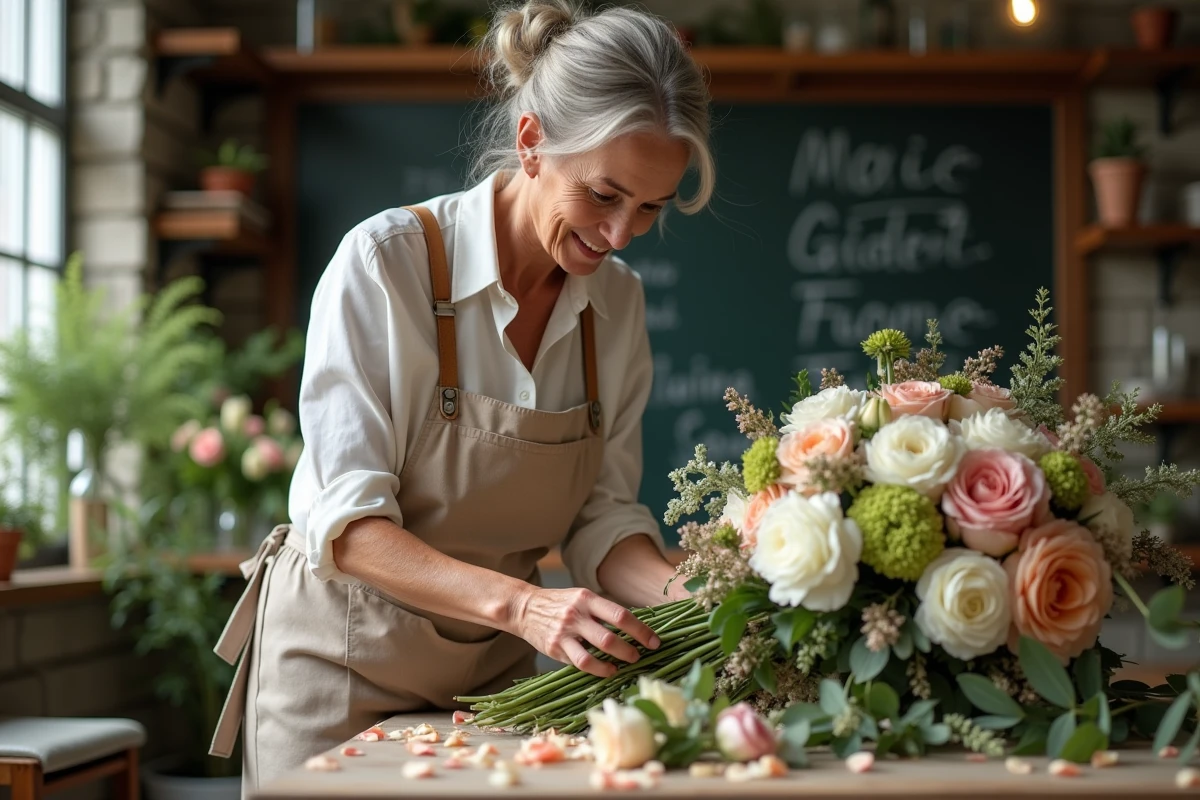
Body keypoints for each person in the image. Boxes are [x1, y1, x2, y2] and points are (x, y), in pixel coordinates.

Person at [208, 0, 716, 791]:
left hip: (496, 685)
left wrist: (704, 598)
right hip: (338, 668)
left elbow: (601, 520)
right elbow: (349, 526)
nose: (621, 236)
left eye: (649, 208)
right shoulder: (385, 265)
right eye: (605, 195)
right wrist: (526, 608)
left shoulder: (616, 307)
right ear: (532, 142)